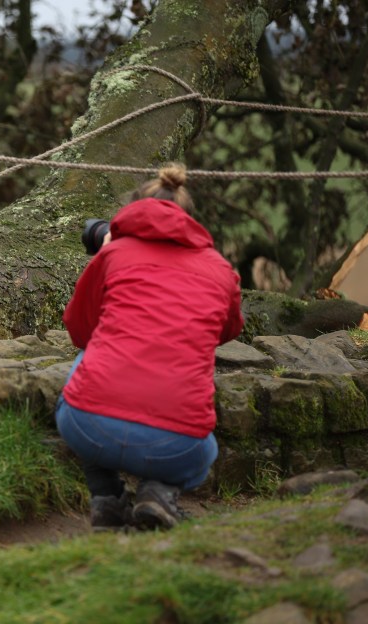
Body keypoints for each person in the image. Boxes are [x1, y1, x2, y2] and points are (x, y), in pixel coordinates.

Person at [55, 164, 243, 531]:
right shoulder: (221, 270)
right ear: (188, 219)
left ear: (130, 211)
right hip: (180, 448)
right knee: (207, 453)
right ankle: (158, 493)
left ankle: (106, 499)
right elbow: (228, 329)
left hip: (87, 426)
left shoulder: (112, 255)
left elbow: (80, 330)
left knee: (87, 359)